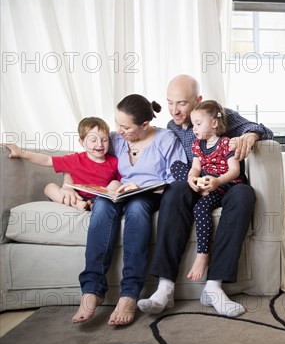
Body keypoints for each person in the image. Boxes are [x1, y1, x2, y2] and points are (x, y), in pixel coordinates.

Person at [138, 74, 273, 318]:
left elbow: (263, 129)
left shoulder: (219, 115)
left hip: (227, 184)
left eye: (181, 103)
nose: (174, 111)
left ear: (198, 100)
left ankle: (214, 286)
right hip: (196, 184)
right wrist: (190, 177)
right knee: (176, 189)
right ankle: (165, 287)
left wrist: (250, 136)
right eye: (169, 103)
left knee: (245, 194)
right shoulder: (172, 128)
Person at [73, 94, 187, 326]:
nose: (118, 131)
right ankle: (92, 289)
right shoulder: (115, 139)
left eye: (125, 127)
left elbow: (180, 177)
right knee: (102, 205)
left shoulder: (166, 139)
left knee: (136, 210)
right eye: (116, 124)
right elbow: (84, 160)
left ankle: (129, 294)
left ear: (145, 125)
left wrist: (142, 186)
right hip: (119, 194)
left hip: (150, 196)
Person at [2, 117, 121, 211]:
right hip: (76, 197)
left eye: (104, 140)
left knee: (116, 183)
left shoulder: (114, 162)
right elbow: (47, 160)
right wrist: (22, 153)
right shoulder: (74, 159)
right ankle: (79, 205)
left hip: (101, 199)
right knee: (49, 188)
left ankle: (97, 205)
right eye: (93, 140)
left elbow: (122, 184)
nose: (99, 144)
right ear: (82, 142)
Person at [183, 100, 243, 281]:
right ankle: (200, 190)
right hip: (206, 181)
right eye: (193, 124)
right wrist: (191, 177)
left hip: (224, 183)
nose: (194, 128)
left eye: (199, 124)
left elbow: (235, 171)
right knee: (178, 169)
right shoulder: (196, 145)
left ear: (214, 123)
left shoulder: (226, 143)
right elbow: (195, 167)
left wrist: (218, 181)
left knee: (200, 208)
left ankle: (203, 253)